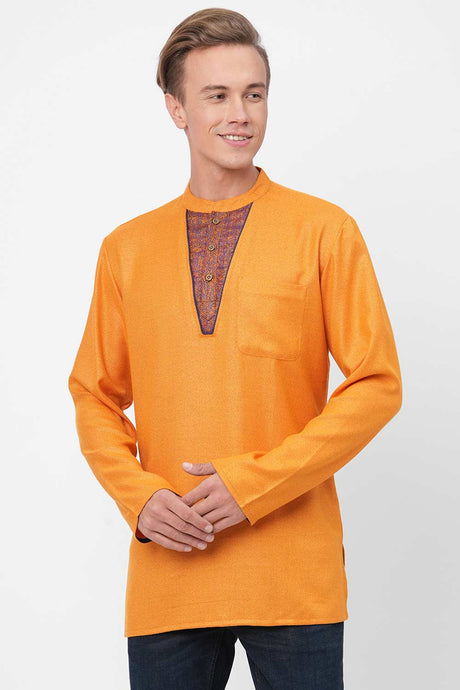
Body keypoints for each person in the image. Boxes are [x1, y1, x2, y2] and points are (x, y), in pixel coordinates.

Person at [68, 7, 402, 689]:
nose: (240, 114)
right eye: (216, 95)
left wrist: (254, 484)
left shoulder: (324, 231)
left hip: (292, 575)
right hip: (169, 571)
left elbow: (377, 383)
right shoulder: (126, 250)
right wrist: (139, 499)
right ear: (176, 109)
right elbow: (93, 394)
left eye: (254, 93)